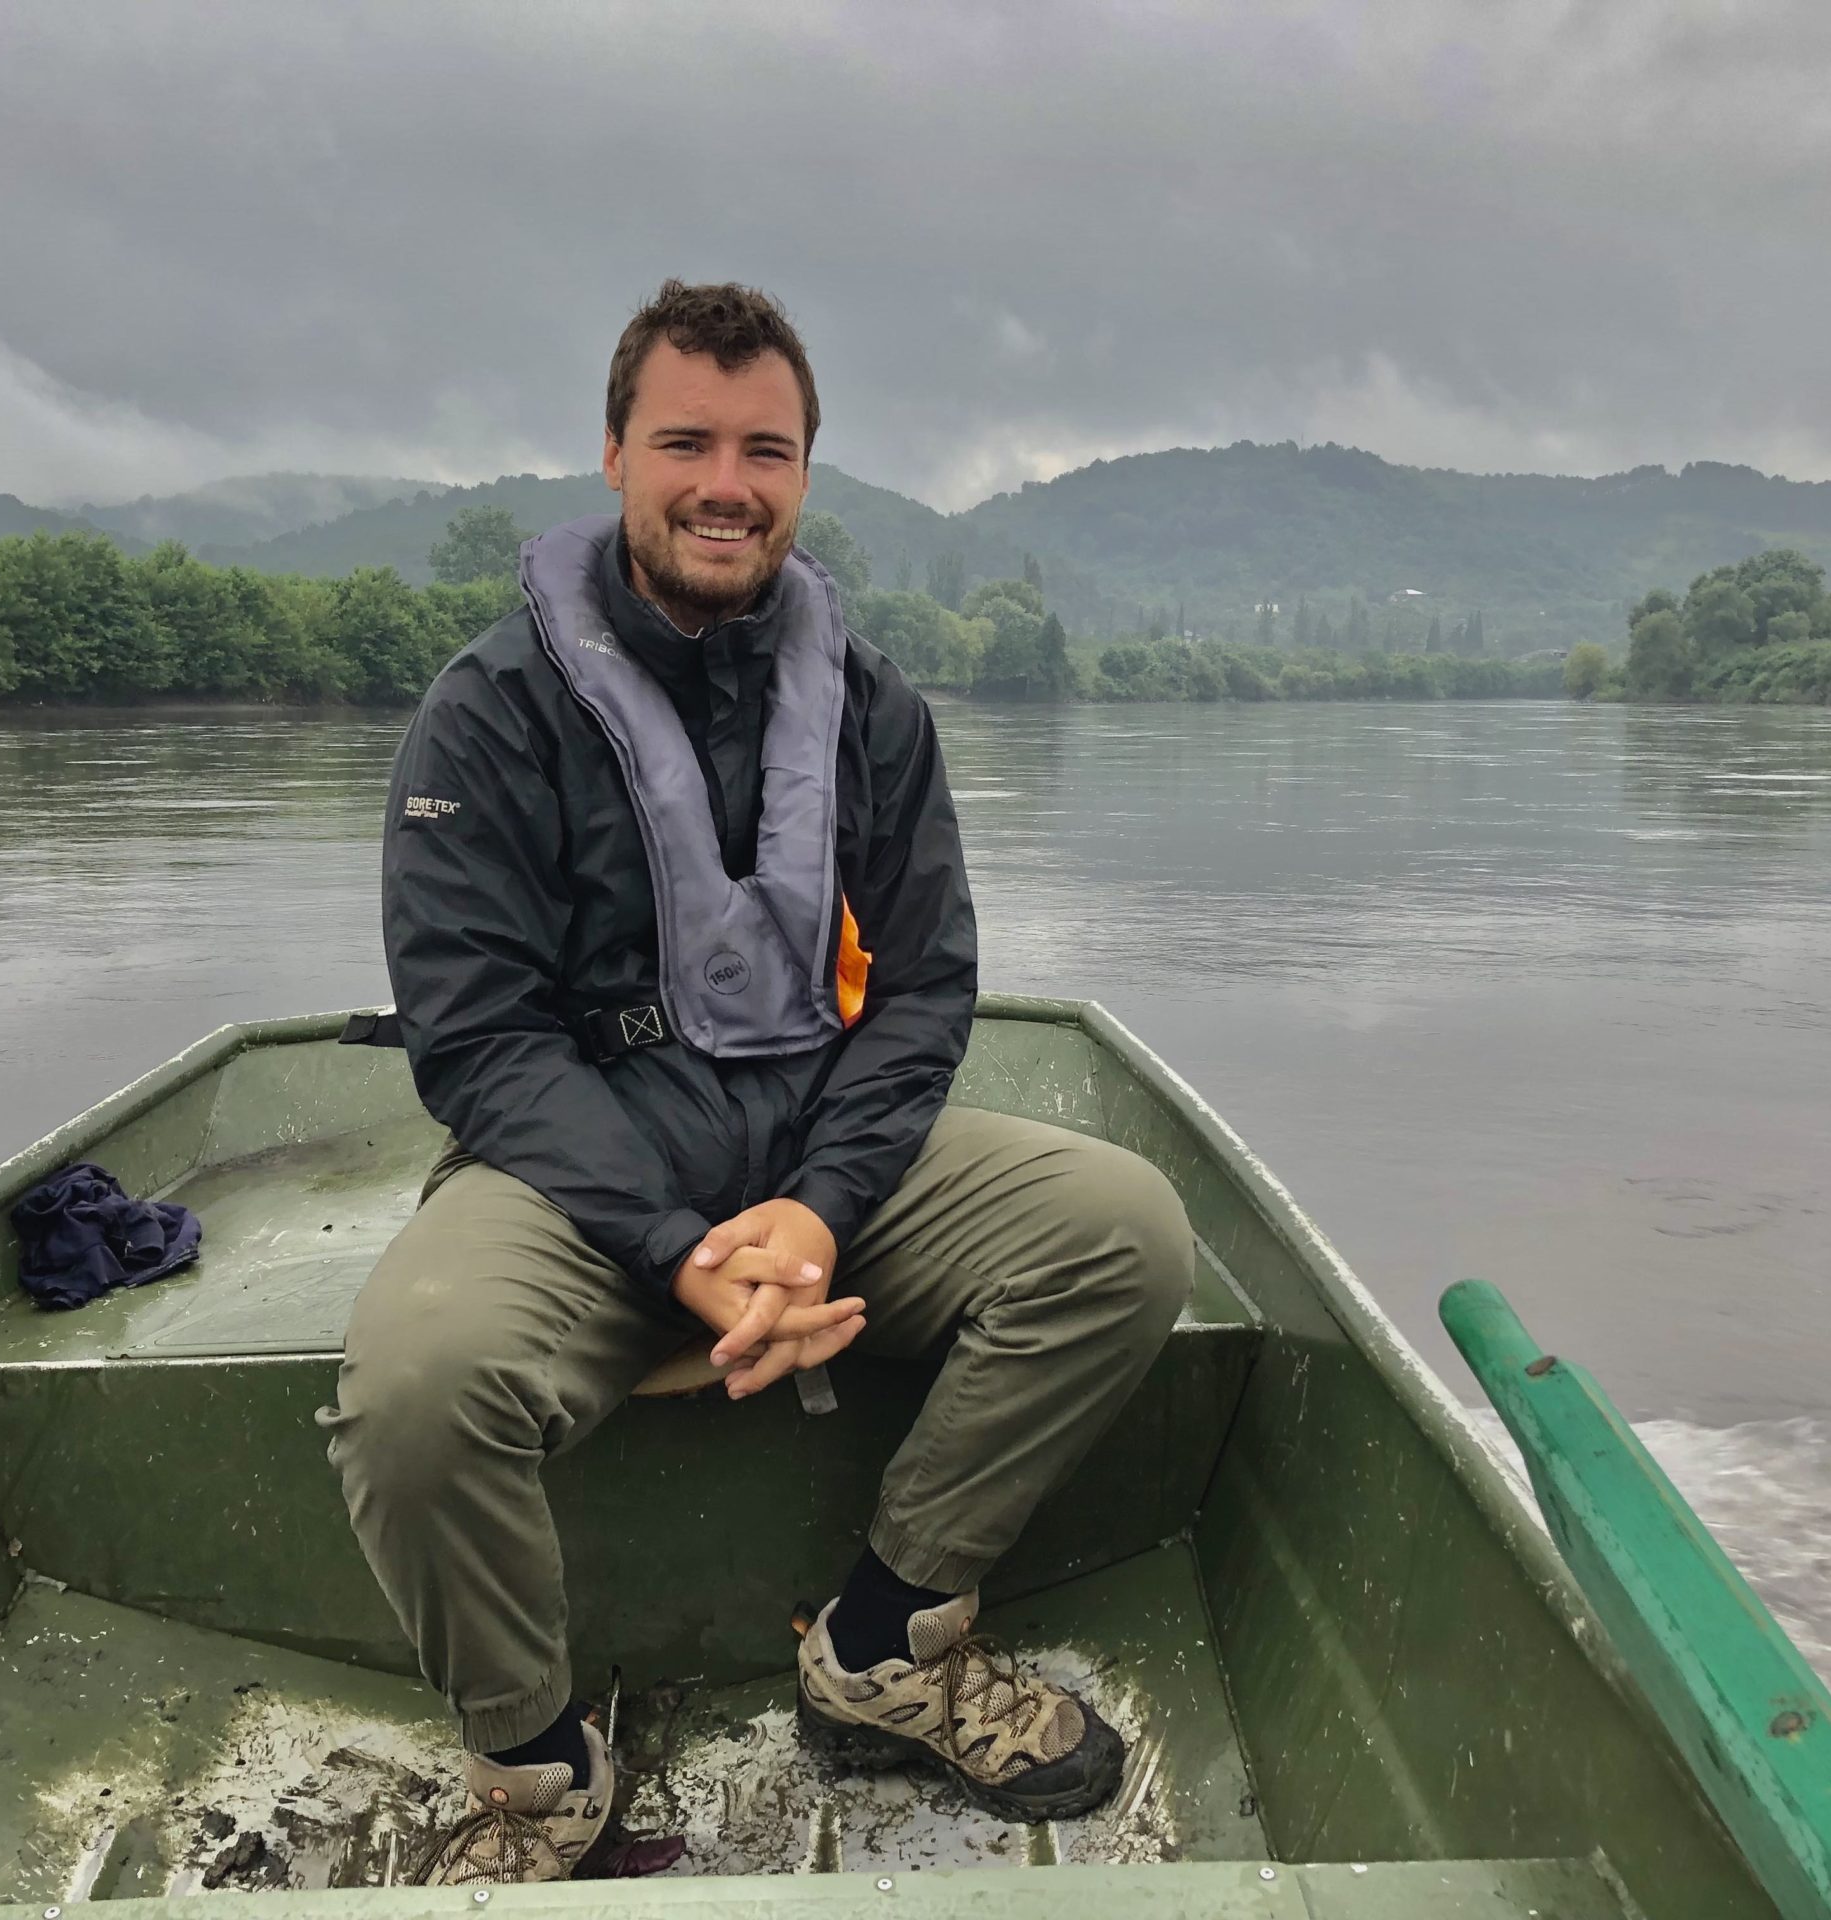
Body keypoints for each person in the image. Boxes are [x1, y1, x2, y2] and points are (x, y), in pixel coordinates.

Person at [320, 280, 1192, 1886]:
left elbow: (921, 992)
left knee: (1121, 1230)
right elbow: (479, 1035)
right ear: (614, 456)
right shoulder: (489, 712)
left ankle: (884, 1643)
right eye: (687, 443)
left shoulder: (874, 709)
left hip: (815, 1153)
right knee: (416, 1389)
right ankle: (537, 1769)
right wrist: (678, 1248)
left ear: (803, 472)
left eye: (765, 451)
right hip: (584, 1182)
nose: (726, 483)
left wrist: (819, 1210)